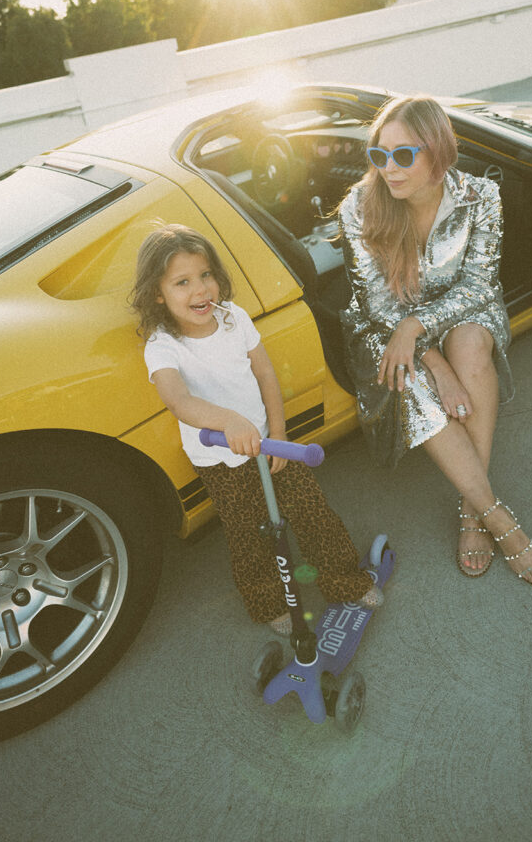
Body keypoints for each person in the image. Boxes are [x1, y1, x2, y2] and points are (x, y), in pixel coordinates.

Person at [338, 95, 532, 590]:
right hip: (384, 322)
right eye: (379, 155)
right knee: (409, 374)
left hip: (462, 306)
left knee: (471, 347)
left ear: (437, 152)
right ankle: (495, 517)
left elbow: (479, 284)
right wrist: (432, 362)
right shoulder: (359, 204)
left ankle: (469, 506)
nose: (388, 170)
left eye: (403, 155)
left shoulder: (480, 195)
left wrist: (421, 328)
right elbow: (375, 301)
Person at [130, 223, 381, 634]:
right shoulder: (162, 346)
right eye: (182, 282)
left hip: (270, 444)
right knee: (251, 536)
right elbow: (179, 401)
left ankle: (345, 582)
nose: (201, 290)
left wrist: (278, 434)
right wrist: (227, 421)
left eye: (206, 275)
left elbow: (265, 375)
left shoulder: (234, 318)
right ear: (158, 293)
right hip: (220, 460)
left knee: (313, 513)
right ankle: (269, 604)